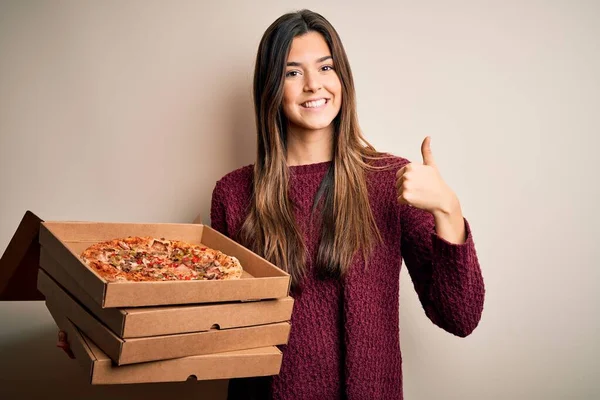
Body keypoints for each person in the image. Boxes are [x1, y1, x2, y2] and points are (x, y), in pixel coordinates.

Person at [210, 9, 485, 400]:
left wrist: (449, 211)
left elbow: (460, 316)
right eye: (292, 72)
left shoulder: (391, 179)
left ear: (343, 79)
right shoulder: (233, 194)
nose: (312, 85)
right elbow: (223, 337)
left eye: (326, 67)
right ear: (270, 87)